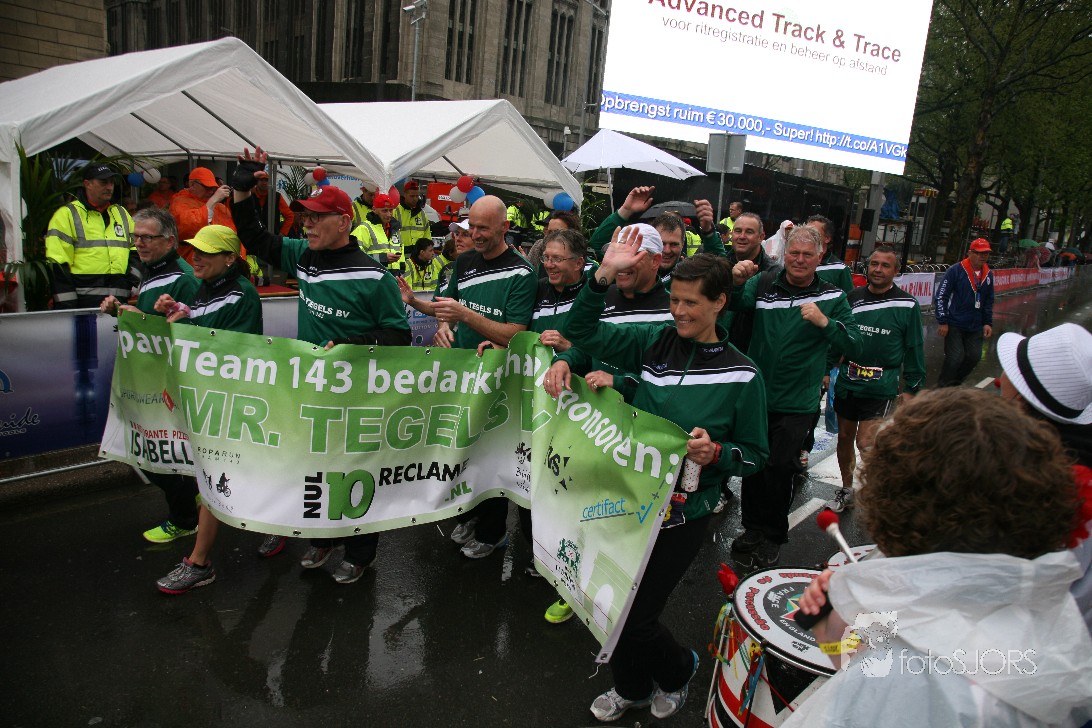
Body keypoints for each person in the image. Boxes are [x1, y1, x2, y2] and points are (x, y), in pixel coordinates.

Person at [553, 231, 768, 722]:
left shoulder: (743, 375)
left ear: (719, 303)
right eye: (674, 300)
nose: (678, 312)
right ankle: (630, 688)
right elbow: (580, 331)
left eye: (691, 303)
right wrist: (603, 274)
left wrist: (717, 453)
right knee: (610, 605)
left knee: (638, 617)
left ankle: (679, 669)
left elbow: (756, 455)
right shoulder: (655, 341)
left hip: (684, 512)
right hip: (629, 497)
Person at [793, 389, 1092, 728]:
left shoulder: (914, 685)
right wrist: (830, 630)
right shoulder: (1036, 606)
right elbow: (879, 656)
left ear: (893, 508)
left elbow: (884, 676)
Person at [231, 146, 411, 583]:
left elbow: (398, 335)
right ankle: (322, 538)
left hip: (357, 395)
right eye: (304, 217)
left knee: (353, 473)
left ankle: (360, 552)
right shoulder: (303, 255)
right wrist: (241, 191)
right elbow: (255, 237)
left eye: (315, 218)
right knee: (314, 469)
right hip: (312, 389)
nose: (306, 224)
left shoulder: (375, 277)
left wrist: (348, 344)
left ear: (343, 222)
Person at [404, 195, 537, 560]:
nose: (474, 234)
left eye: (483, 228)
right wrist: (425, 310)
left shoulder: (522, 273)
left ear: (504, 228)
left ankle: (494, 533)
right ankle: (470, 516)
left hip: (498, 382)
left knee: (490, 457)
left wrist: (463, 315)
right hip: (461, 377)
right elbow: (445, 309)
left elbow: (515, 333)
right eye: (471, 227)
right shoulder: (464, 262)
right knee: (462, 451)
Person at [728, 225, 860, 567]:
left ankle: (773, 534)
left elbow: (854, 344)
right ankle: (751, 528)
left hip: (797, 402)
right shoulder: (764, 284)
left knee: (779, 468)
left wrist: (825, 323)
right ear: (784, 254)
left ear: (819, 257)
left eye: (807, 255)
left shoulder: (833, 297)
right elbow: (733, 302)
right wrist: (737, 281)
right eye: (794, 253)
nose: (799, 260)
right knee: (754, 466)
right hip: (758, 397)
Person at [151, 225, 264, 594]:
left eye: (205, 252)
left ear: (229, 258)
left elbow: (228, 350)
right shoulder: (204, 287)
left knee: (216, 475)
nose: (195, 257)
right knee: (229, 474)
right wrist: (174, 309)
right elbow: (200, 322)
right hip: (206, 397)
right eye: (194, 250)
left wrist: (185, 324)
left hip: (231, 399)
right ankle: (274, 525)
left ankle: (198, 563)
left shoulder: (243, 293)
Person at [99, 207, 202, 545]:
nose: (139, 243)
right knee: (150, 451)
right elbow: (151, 322)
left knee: (159, 454)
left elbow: (193, 330)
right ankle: (192, 498)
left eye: (147, 237)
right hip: (149, 378)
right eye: (136, 237)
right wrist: (121, 311)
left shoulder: (183, 277)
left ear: (170, 241)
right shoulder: (153, 269)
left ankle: (185, 519)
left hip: (170, 382)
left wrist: (141, 318)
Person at [996, 322, 1092, 631]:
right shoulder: (1073, 467)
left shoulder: (1025, 489)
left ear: (1019, 401)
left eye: (1008, 372)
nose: (999, 378)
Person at [827, 245, 925, 512]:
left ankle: (875, 492)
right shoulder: (852, 297)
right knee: (845, 438)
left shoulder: (907, 304)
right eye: (874, 264)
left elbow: (914, 347)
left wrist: (913, 387)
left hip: (881, 384)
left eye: (885, 265)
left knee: (866, 442)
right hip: (848, 380)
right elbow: (838, 335)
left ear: (896, 271)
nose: (878, 269)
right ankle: (847, 489)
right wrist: (826, 369)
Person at [45, 162, 135, 309]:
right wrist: (68, 306)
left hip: (119, 301)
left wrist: (129, 282)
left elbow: (137, 250)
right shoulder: (67, 214)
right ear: (87, 184)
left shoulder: (122, 213)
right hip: (82, 302)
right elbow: (58, 263)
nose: (109, 187)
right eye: (103, 182)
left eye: (111, 182)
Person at [934, 237, 994, 387]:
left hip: (976, 325)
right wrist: (943, 321)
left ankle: (954, 385)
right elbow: (941, 295)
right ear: (970, 253)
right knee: (954, 358)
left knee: (974, 357)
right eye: (979, 253)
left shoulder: (988, 274)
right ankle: (942, 388)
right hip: (955, 323)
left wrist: (987, 322)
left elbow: (988, 299)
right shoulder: (956, 270)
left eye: (986, 253)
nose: (983, 256)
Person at [725, 212, 781, 355]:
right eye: (738, 231)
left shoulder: (774, 272)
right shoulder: (720, 265)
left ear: (761, 237)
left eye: (749, 232)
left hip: (754, 354)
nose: (742, 236)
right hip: (720, 350)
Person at [169, 167, 236, 259]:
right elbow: (187, 228)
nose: (211, 191)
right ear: (192, 184)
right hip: (191, 259)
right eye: (207, 187)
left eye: (213, 188)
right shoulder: (180, 202)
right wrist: (214, 200)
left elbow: (232, 232)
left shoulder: (219, 206)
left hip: (220, 259)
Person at [352, 192, 403, 274]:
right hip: (373, 277)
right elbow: (355, 257)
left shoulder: (395, 229)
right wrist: (382, 258)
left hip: (393, 277)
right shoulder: (364, 228)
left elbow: (401, 254)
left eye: (391, 210)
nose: (389, 214)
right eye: (384, 211)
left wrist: (401, 273)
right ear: (374, 210)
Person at [808, 215, 853, 294]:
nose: (808, 236)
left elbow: (849, 298)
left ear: (827, 238)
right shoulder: (797, 262)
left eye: (814, 233)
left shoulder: (840, 269)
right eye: (806, 232)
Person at [251, 170, 295, 235]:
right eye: (261, 180)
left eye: (266, 180)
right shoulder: (249, 195)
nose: (264, 183)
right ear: (256, 182)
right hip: (252, 236)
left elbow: (290, 216)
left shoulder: (276, 197)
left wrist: (282, 233)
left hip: (271, 236)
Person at [393, 180, 430, 251]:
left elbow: (427, 236)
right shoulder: (395, 212)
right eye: (412, 196)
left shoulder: (422, 214)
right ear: (405, 194)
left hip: (418, 255)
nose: (415, 199)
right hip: (401, 254)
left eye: (417, 196)